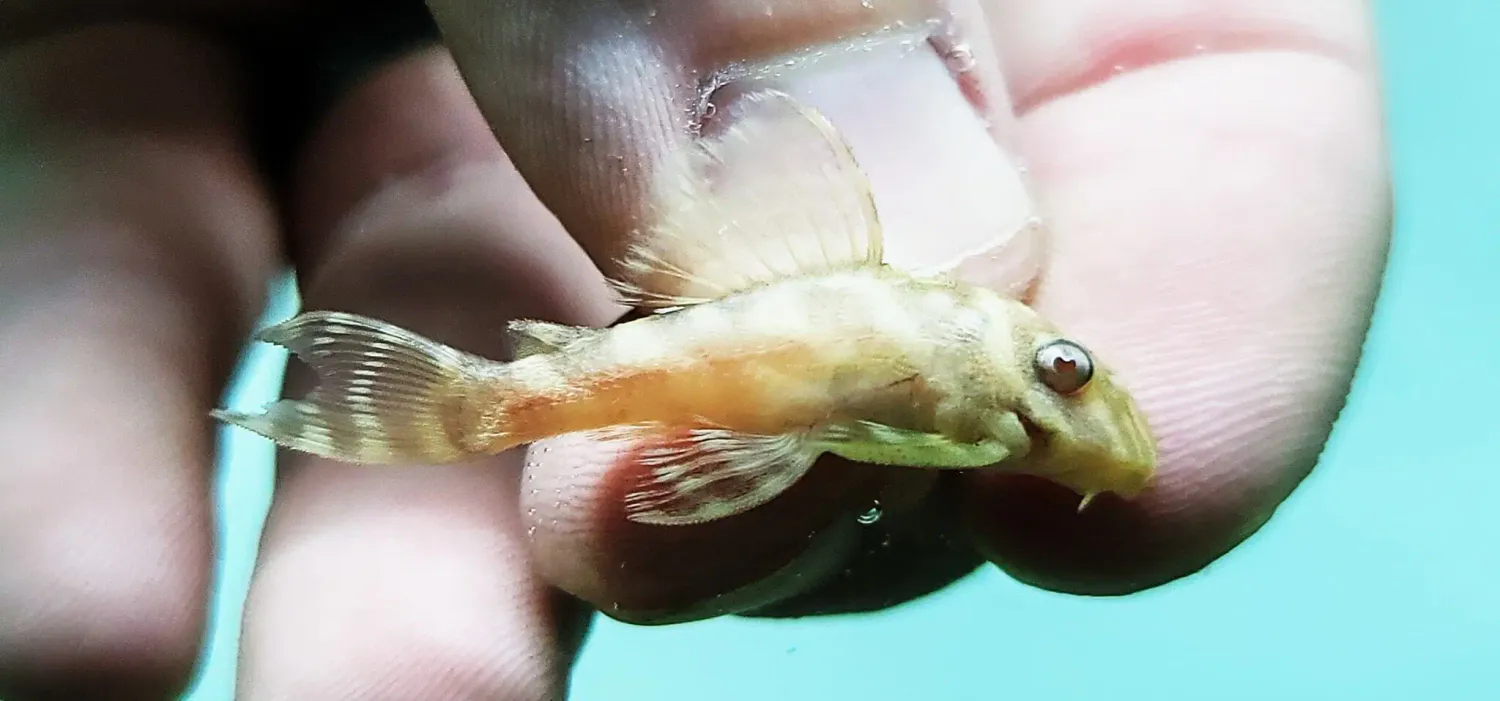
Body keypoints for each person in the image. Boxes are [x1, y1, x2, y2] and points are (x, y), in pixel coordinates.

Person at [0, 1, 1390, 698]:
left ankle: (461, 403)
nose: (1062, 391)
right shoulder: (956, 346)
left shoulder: (971, 405)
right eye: (1064, 369)